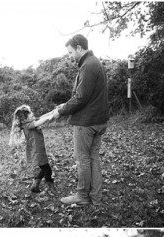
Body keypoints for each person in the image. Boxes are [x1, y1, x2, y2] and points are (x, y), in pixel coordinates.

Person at [51, 34, 110, 206]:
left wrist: (61, 111)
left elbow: (82, 97)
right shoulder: (94, 62)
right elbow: (85, 95)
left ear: (78, 48)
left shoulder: (88, 65)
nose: (69, 57)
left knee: (83, 159)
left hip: (87, 122)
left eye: (70, 52)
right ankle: (96, 198)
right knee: (93, 158)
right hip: (98, 120)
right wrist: (65, 104)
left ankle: (82, 197)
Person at [8, 105, 58, 193]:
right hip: (37, 152)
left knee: (44, 168)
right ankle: (50, 185)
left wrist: (51, 113)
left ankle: (35, 185)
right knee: (47, 169)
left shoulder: (29, 123)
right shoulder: (28, 125)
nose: (32, 114)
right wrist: (48, 118)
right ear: (24, 119)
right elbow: (38, 123)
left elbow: (39, 119)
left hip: (39, 151)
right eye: (30, 114)